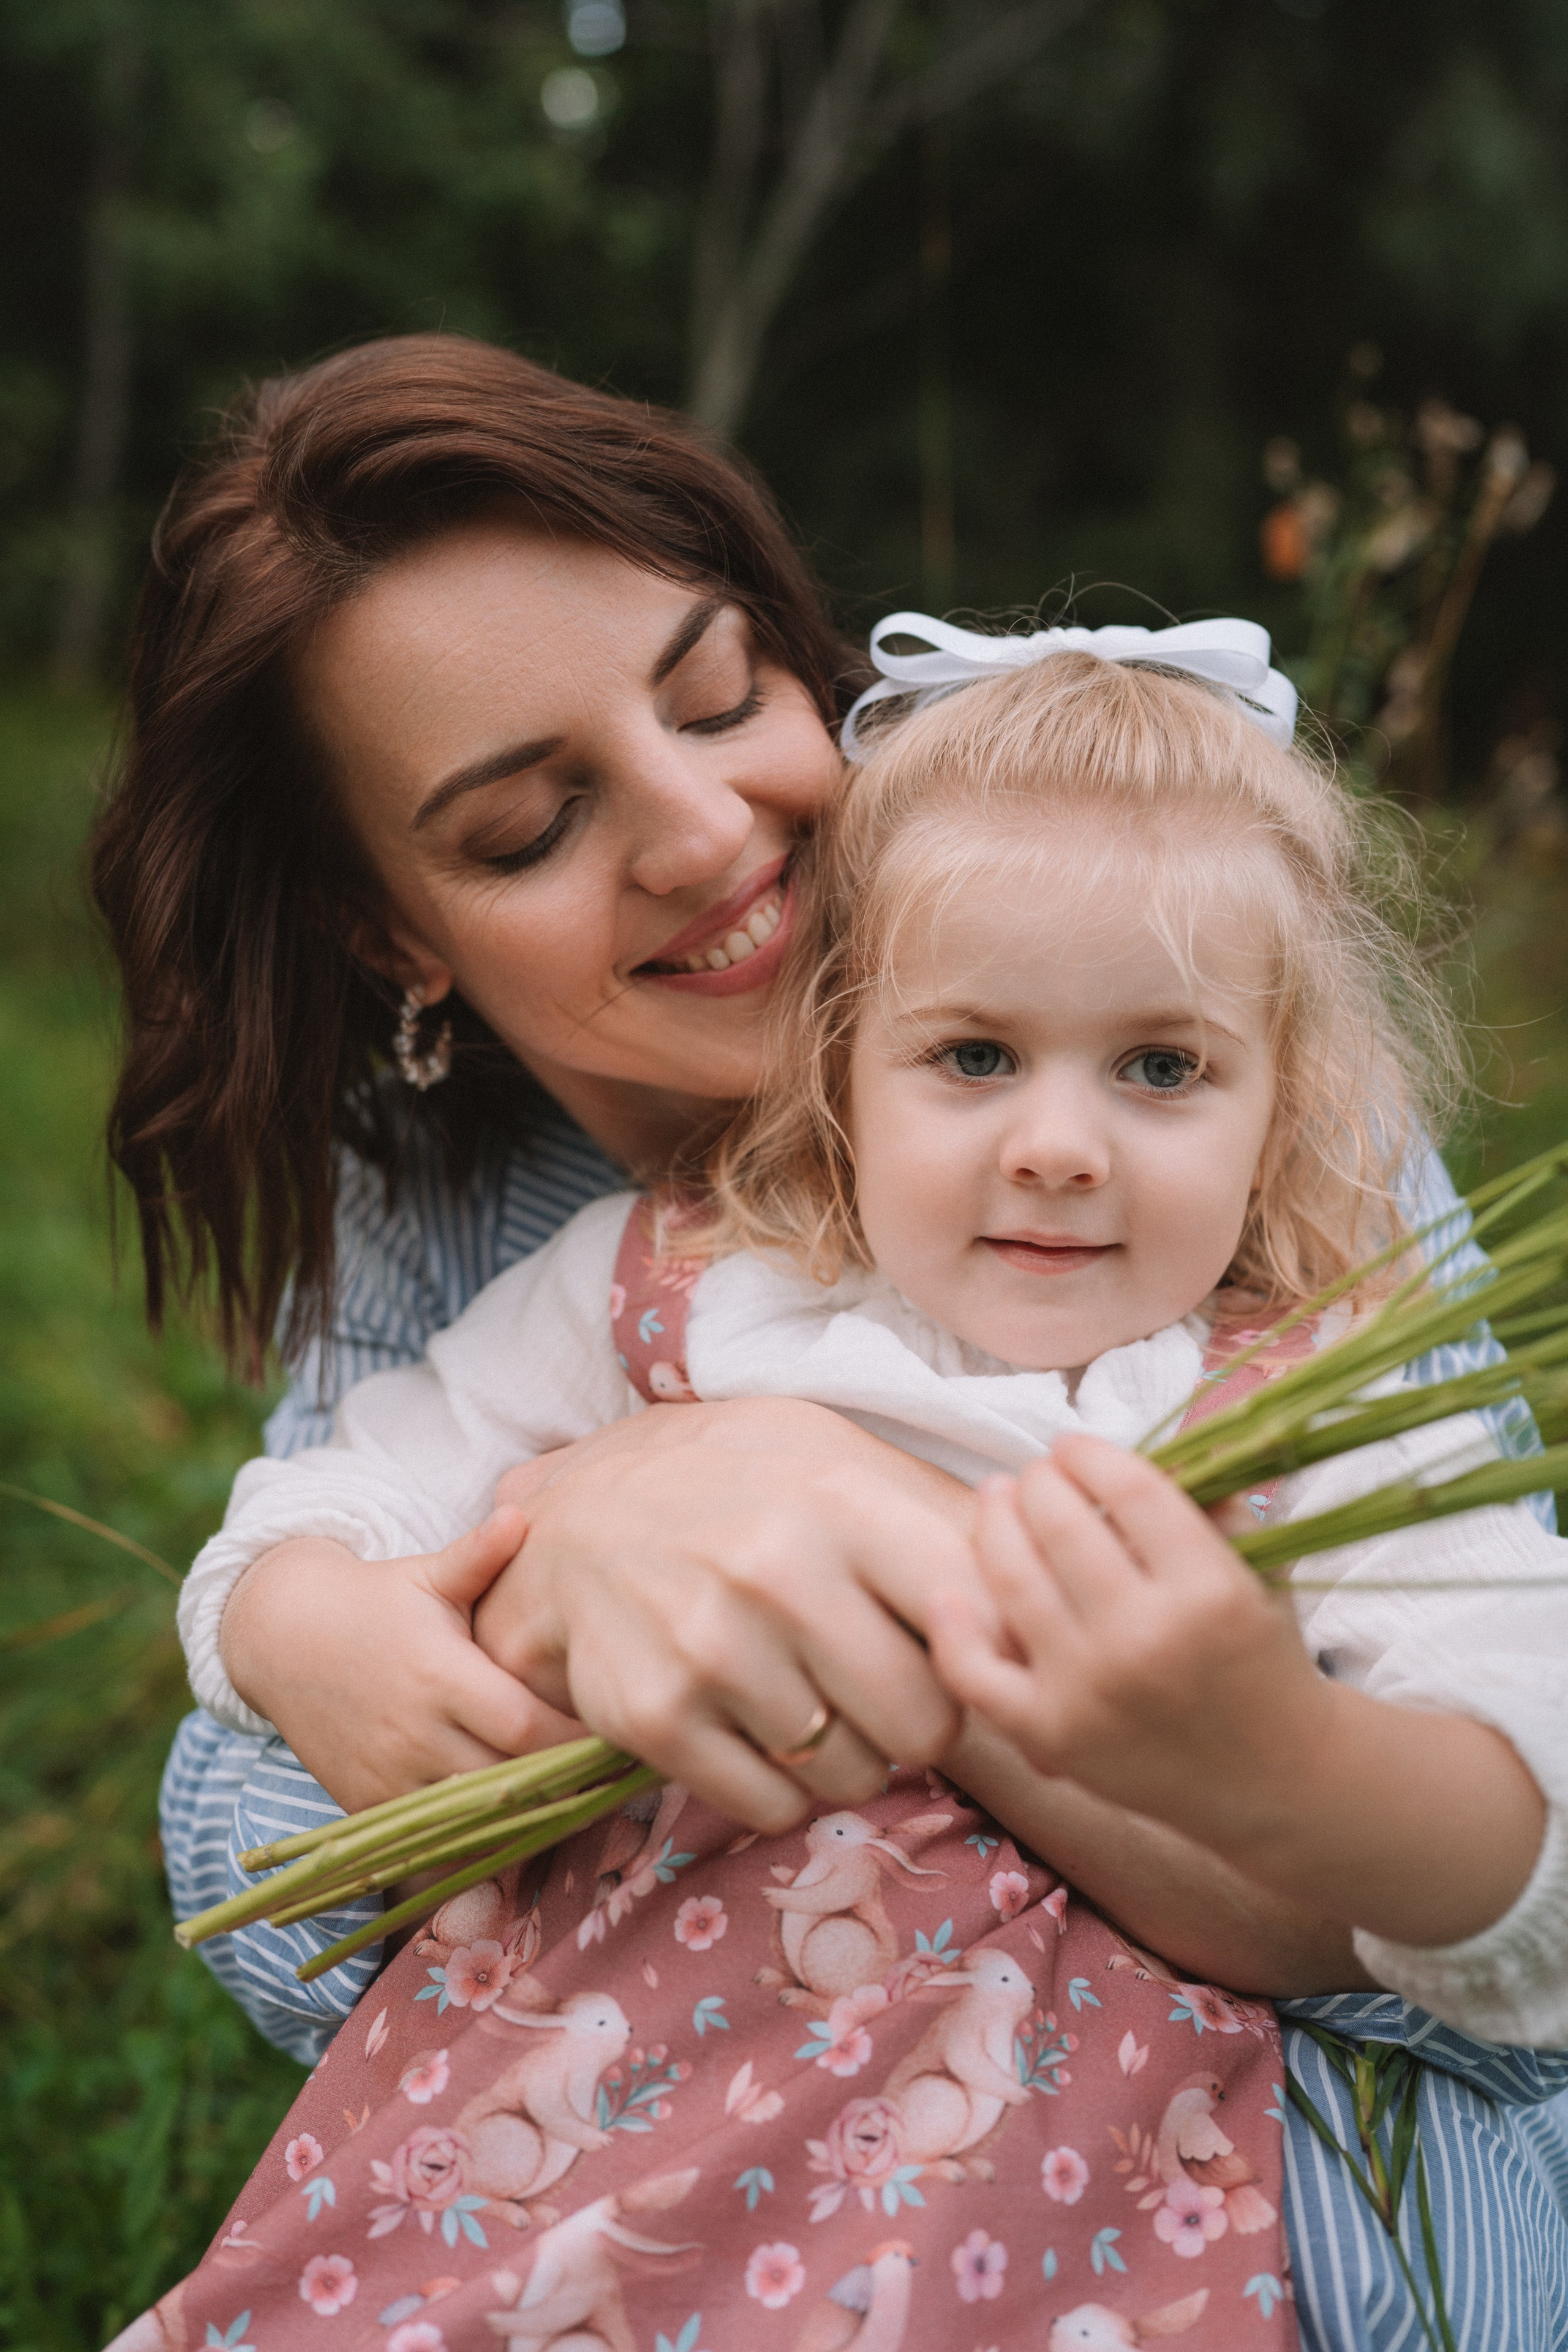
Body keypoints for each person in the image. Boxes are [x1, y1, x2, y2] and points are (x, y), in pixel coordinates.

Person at [89, 337, 1566, 2344]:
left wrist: (918, 1606)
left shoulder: (1244, 1140)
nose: (707, 830)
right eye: (529, 824)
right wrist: (483, 1583)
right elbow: (259, 1863)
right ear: (394, 937)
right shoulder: (559, 1250)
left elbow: (1501, 1931)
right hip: (597, 2174)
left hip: (1112, 2204)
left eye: (721, 697)